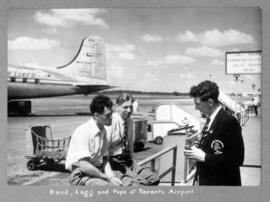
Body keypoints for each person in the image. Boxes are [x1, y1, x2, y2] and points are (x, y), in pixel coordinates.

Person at [184, 80, 245, 186]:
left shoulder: (229, 122)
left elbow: (237, 159)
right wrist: (196, 152)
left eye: (198, 104)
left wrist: (204, 157)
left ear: (210, 102)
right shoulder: (211, 120)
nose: (196, 108)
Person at [65, 95, 122, 186]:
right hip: (80, 174)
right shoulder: (84, 131)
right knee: (110, 189)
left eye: (111, 113)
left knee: (128, 183)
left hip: (96, 171)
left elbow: (104, 160)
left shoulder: (103, 131)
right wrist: (107, 178)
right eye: (107, 115)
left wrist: (112, 177)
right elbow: (84, 165)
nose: (111, 117)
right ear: (96, 115)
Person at [106, 93, 160, 186]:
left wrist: (134, 163)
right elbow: (103, 152)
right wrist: (110, 175)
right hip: (114, 163)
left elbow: (130, 144)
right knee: (138, 184)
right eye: (125, 107)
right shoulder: (111, 122)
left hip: (128, 161)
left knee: (154, 179)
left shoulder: (130, 121)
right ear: (117, 107)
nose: (129, 110)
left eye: (130, 107)